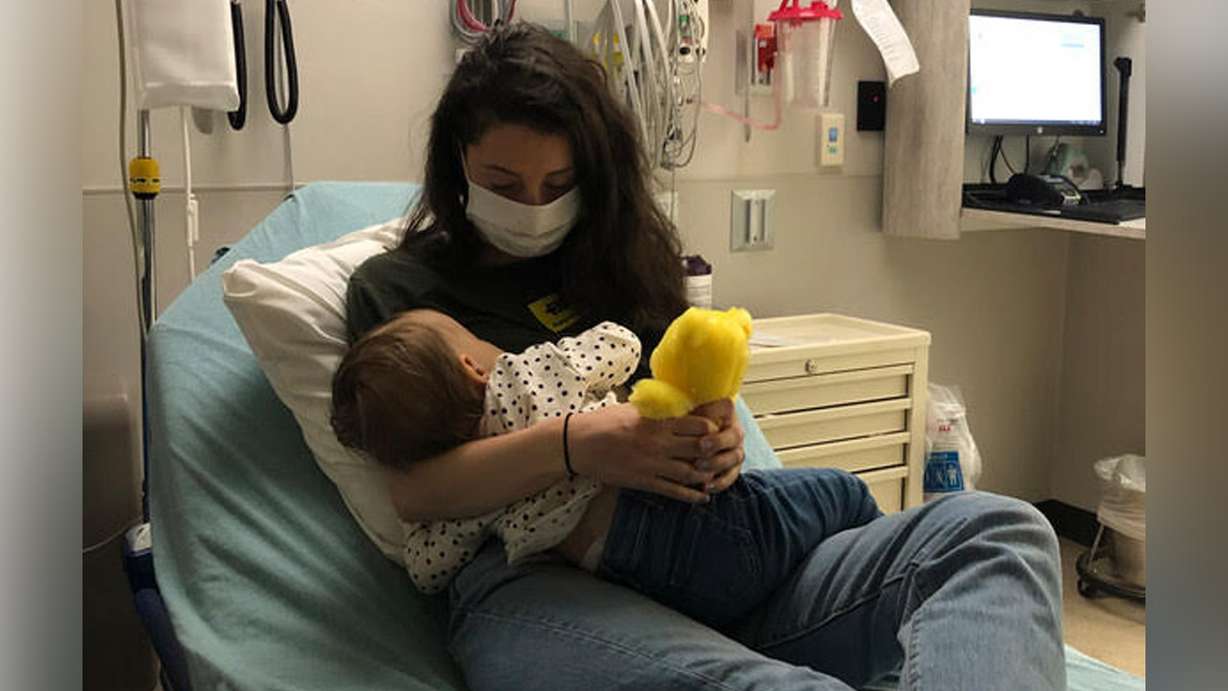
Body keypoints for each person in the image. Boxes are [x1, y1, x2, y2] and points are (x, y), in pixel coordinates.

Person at [345, 22, 1065, 691]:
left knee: (999, 535)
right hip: (538, 582)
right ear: (459, 167)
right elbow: (418, 491)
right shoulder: (405, 294)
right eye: (504, 185)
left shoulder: (620, 265)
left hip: (711, 564)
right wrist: (576, 444)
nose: (533, 206)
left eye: (558, 186)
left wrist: (718, 433)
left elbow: (687, 389)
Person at [330, 309, 882, 630]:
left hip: (634, 579)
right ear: (473, 366)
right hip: (695, 522)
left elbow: (426, 569)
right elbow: (621, 344)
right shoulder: (526, 375)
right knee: (842, 493)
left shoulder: (471, 500)